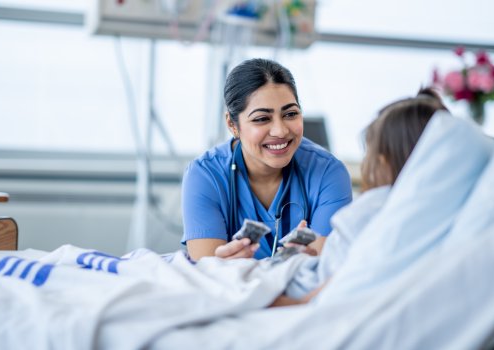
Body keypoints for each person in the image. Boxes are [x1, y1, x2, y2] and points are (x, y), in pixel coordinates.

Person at [270, 87, 449, 306]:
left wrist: (284, 289)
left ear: (382, 162)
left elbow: (336, 286)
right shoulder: (436, 213)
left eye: (368, 155)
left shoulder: (376, 207)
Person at [181, 58, 353, 261]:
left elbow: (324, 270)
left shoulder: (328, 173)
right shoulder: (205, 175)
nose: (280, 131)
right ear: (232, 124)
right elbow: (207, 273)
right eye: (262, 118)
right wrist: (219, 267)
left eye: (290, 114)